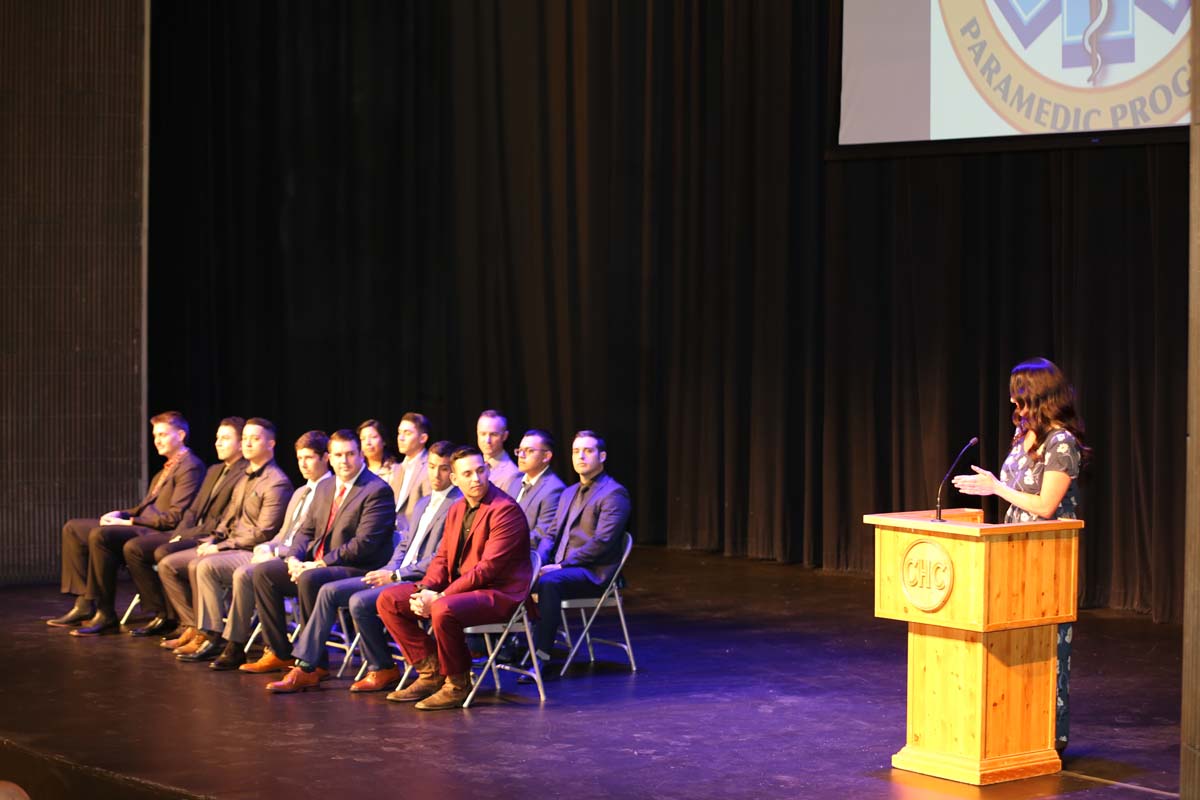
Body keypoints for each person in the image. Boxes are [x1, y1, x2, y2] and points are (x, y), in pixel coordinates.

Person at [952, 356, 1090, 753]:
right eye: (1013, 401)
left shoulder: (1060, 442)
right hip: (1013, 551)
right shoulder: (1023, 436)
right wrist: (991, 489)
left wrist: (995, 488)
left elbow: (1046, 505)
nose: (1015, 408)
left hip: (1046, 557)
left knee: (1047, 645)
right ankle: (1015, 730)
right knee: (1013, 643)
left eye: (1021, 400)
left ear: (1043, 398)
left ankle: (1049, 736)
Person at [265, 440, 461, 693]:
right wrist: (388, 570)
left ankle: (381, 667)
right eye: (432, 467)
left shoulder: (457, 504)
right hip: (393, 573)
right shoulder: (424, 502)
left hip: (421, 580)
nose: (436, 474)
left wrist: (394, 574)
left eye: (443, 468)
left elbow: (439, 557)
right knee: (329, 592)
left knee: (358, 601)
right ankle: (307, 666)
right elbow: (404, 546)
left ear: (453, 473)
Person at [375, 445, 531, 710]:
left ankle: (457, 684)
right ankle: (431, 670)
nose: (476, 478)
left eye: (481, 471)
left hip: (499, 593)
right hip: (463, 590)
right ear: (455, 479)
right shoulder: (457, 508)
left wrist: (441, 595)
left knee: (443, 608)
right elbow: (442, 558)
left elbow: (488, 569)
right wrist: (423, 590)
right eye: (467, 474)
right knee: (389, 599)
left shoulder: (505, 510)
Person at [240, 429, 394, 675]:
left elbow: (364, 544)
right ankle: (279, 652)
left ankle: (313, 664)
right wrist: (293, 558)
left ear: (361, 455)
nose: (344, 461)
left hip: (357, 567)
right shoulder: (325, 487)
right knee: (264, 572)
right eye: (338, 455)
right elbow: (305, 531)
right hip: (318, 565)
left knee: (311, 578)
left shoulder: (376, 490)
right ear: (330, 458)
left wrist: (319, 564)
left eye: (350, 454)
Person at [50, 411, 204, 634]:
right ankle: (85, 602)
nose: (156, 440)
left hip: (160, 532)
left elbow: (173, 517)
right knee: (74, 528)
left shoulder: (191, 467)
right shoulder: (166, 469)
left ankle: (105, 612)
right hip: (143, 525)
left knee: (102, 536)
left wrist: (129, 522)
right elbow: (147, 506)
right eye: (155, 435)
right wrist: (121, 513)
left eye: (162, 434)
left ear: (180, 435)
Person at [193, 430, 332, 669]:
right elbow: (284, 533)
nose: (303, 464)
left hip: (300, 562)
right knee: (215, 567)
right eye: (300, 458)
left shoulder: (330, 491)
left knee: (247, 574)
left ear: (325, 458)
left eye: (309, 458)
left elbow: (316, 539)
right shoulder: (301, 492)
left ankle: (239, 645)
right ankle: (218, 635)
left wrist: (277, 553)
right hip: (278, 554)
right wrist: (267, 546)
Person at [165, 418, 293, 662]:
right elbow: (229, 520)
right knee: (187, 562)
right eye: (245, 438)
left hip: (253, 550)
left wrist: (222, 546)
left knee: (207, 566)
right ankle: (206, 631)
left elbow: (263, 532)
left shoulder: (277, 482)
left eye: (255, 439)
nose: (247, 443)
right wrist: (214, 540)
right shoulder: (245, 477)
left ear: (271, 444)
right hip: (233, 545)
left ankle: (218, 637)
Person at [124, 417, 248, 638]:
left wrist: (183, 537)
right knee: (147, 549)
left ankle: (188, 623)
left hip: (212, 537)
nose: (218, 443)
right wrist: (179, 534)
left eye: (226, 438)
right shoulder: (214, 470)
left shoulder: (244, 473)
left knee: (162, 553)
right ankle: (178, 619)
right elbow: (193, 511)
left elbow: (222, 521)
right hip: (194, 532)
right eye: (217, 438)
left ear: (241, 443)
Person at [531, 430, 631, 665]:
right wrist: (541, 562)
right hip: (564, 568)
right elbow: (551, 534)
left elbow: (602, 543)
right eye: (576, 451)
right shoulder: (568, 492)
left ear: (602, 456)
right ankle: (511, 645)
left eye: (588, 451)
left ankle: (541, 655)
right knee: (521, 575)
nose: (581, 457)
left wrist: (560, 565)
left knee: (549, 583)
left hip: (594, 572)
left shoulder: (614, 493)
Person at [514, 429, 566, 545]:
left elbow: (542, 534)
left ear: (546, 456)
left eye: (529, 451)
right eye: (520, 450)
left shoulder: (554, 489)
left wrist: (507, 543)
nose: (521, 455)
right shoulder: (515, 482)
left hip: (527, 554)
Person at [390, 412, 432, 537]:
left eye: (407, 433)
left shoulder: (430, 465)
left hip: (414, 536)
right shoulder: (397, 468)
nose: (401, 438)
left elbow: (429, 509)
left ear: (423, 438)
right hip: (393, 535)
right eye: (399, 432)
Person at [477, 409, 520, 496]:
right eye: (483, 434)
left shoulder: (513, 475)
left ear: (504, 436)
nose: (487, 440)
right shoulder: (474, 463)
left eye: (493, 434)